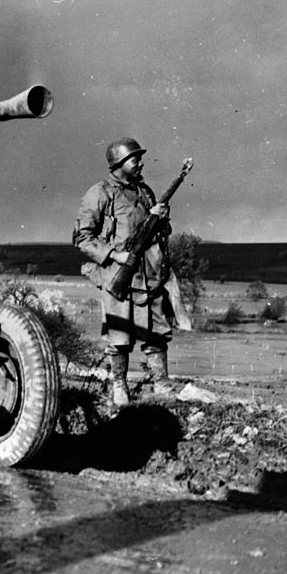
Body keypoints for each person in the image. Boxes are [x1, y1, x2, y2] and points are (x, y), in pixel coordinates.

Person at [74, 137, 175, 406]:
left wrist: (162, 217)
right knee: (119, 335)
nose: (141, 163)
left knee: (156, 330)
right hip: (118, 275)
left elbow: (160, 233)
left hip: (149, 274)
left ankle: (161, 383)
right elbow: (82, 238)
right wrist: (114, 254)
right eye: (135, 159)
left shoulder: (146, 192)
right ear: (119, 163)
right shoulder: (99, 194)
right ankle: (120, 386)